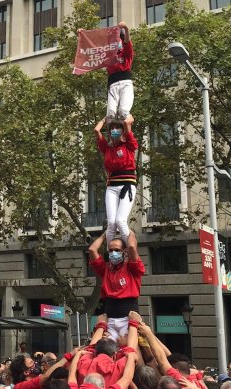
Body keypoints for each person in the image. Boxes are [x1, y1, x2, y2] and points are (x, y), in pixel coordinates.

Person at [93, 115, 138, 246]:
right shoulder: (107, 148)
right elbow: (96, 131)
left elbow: (127, 122)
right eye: (112, 129)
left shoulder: (129, 144)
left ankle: (129, 250)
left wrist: (125, 122)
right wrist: (104, 120)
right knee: (111, 223)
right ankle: (111, 254)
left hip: (127, 185)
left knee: (120, 220)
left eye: (117, 128)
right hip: (111, 187)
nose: (114, 131)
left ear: (123, 131)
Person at [105, 22, 134, 124]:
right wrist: (82, 35)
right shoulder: (108, 54)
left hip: (125, 82)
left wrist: (126, 28)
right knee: (110, 115)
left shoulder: (125, 52)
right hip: (112, 84)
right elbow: (94, 48)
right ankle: (113, 138)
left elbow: (127, 41)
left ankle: (127, 133)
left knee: (123, 112)